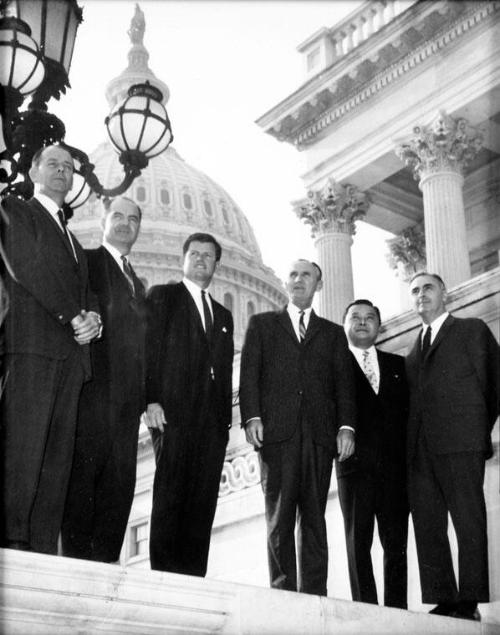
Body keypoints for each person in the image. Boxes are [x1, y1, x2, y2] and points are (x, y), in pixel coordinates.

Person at [0, 144, 101, 554]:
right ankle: (11, 546)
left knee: (55, 465)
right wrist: (71, 316)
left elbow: (86, 292)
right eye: (53, 164)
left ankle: (40, 550)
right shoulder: (14, 209)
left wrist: (93, 317)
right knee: (22, 453)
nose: (62, 171)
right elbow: (25, 264)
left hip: (69, 362)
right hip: (32, 351)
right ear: (36, 170)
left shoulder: (74, 239)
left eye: (68, 167)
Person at [239, 259, 356, 596]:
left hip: (319, 437)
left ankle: (315, 592)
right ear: (286, 283)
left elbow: (343, 385)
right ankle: (282, 589)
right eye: (293, 274)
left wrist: (346, 427)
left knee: (314, 518)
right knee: (279, 516)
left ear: (318, 285)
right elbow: (250, 375)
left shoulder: (333, 333)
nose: (299, 279)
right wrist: (252, 417)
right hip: (277, 434)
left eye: (307, 275)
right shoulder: (262, 325)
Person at [406, 272, 500, 621]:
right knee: (428, 523)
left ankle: (470, 599)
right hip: (422, 451)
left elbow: (495, 383)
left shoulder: (471, 330)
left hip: (461, 443)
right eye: (414, 291)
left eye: (428, 288)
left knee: (468, 520)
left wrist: (475, 430)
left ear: (443, 292)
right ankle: (443, 596)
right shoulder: (414, 348)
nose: (421, 295)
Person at [62, 196, 147, 562]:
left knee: (117, 493)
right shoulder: (88, 261)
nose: (125, 223)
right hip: (92, 399)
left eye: (133, 218)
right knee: (82, 492)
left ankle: (104, 573)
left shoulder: (137, 284)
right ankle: (78, 577)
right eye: (118, 215)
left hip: (126, 412)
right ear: (103, 220)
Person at [145, 232, 234, 576]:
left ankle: (195, 577)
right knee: (171, 494)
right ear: (183, 259)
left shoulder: (224, 315)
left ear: (215, 264)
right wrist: (150, 399)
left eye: (208, 256)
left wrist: (224, 422)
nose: (200, 260)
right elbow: (149, 350)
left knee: (202, 501)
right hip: (172, 414)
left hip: (212, 423)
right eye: (194, 254)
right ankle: (165, 577)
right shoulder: (164, 296)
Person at [337, 299, 408, 608]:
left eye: (370, 318)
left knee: (396, 544)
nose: (363, 322)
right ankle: (365, 609)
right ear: (345, 325)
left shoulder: (398, 365)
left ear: (380, 326)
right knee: (358, 541)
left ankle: (398, 611)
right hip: (354, 468)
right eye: (356, 317)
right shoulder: (334, 366)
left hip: (394, 470)